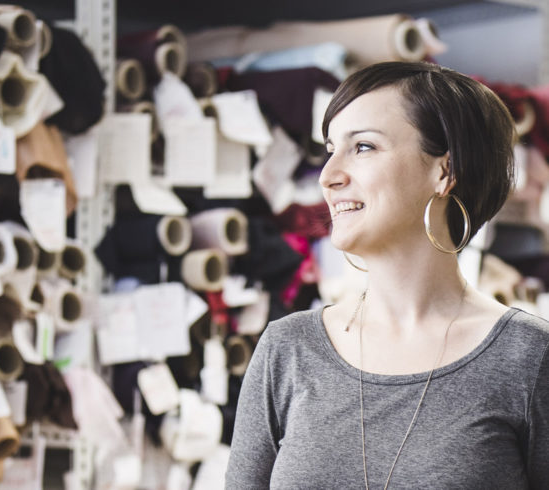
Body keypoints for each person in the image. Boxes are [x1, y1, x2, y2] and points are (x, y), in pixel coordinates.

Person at [225, 61, 549, 489]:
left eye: (363, 147)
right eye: (330, 150)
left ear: (445, 171)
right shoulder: (287, 350)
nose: (328, 177)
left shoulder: (528, 358)